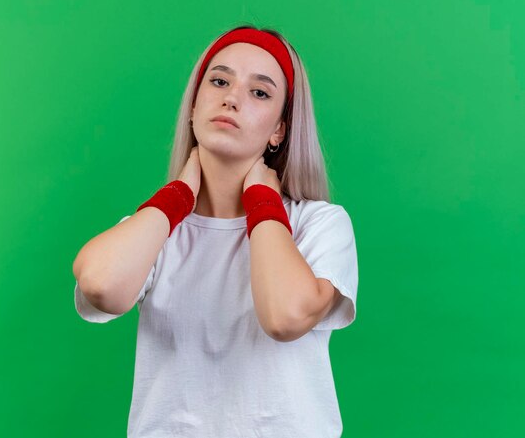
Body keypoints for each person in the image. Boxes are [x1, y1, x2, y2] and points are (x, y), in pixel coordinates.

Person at [72, 25, 359, 438]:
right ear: (193, 106)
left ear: (280, 129)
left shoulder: (319, 225)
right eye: (219, 81)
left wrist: (262, 199)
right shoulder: (154, 229)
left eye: (260, 92)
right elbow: (100, 285)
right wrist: (175, 198)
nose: (231, 97)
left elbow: (285, 316)